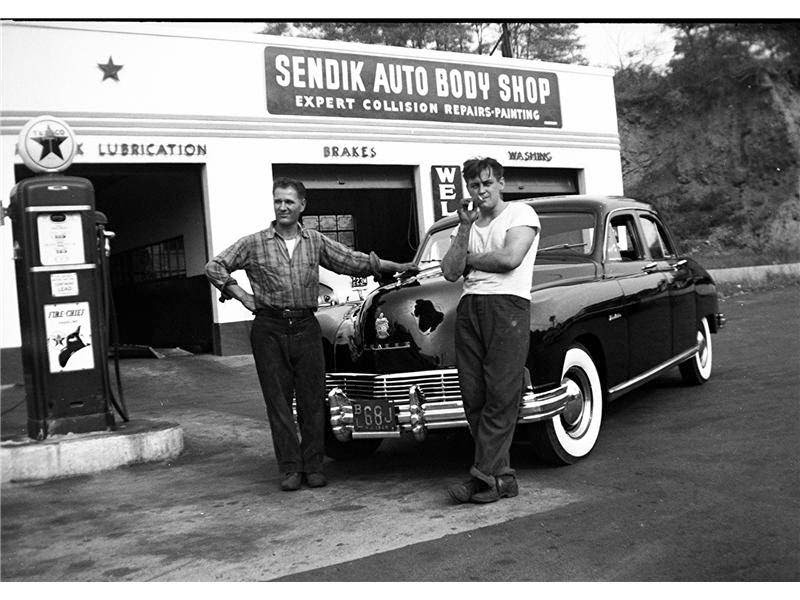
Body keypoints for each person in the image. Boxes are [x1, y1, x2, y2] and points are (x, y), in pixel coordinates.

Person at [205, 178, 417, 492]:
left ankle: (314, 467)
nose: (282, 207)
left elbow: (352, 261)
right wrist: (241, 295)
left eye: (289, 202)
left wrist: (395, 265)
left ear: (302, 205)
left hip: (306, 325)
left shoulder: (315, 241)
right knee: (278, 403)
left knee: (312, 401)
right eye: (278, 201)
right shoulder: (254, 242)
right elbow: (215, 266)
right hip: (269, 329)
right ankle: (290, 469)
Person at [441, 157, 540, 504]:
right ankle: (503, 478)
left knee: (501, 393)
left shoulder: (521, 214)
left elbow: (509, 259)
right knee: (474, 396)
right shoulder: (465, 223)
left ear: (500, 182)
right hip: (470, 308)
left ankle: (481, 477)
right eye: (473, 185)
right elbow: (450, 271)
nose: (480, 191)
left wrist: (470, 259)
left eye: (486, 183)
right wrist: (465, 229)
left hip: (507, 305)